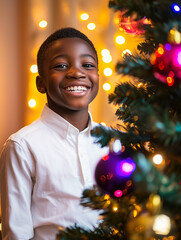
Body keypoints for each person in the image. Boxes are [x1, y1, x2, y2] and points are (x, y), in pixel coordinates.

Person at [0, 27, 108, 240]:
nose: (77, 73)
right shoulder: (22, 146)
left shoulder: (114, 141)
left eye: (87, 65)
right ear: (41, 83)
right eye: (61, 65)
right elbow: (16, 234)